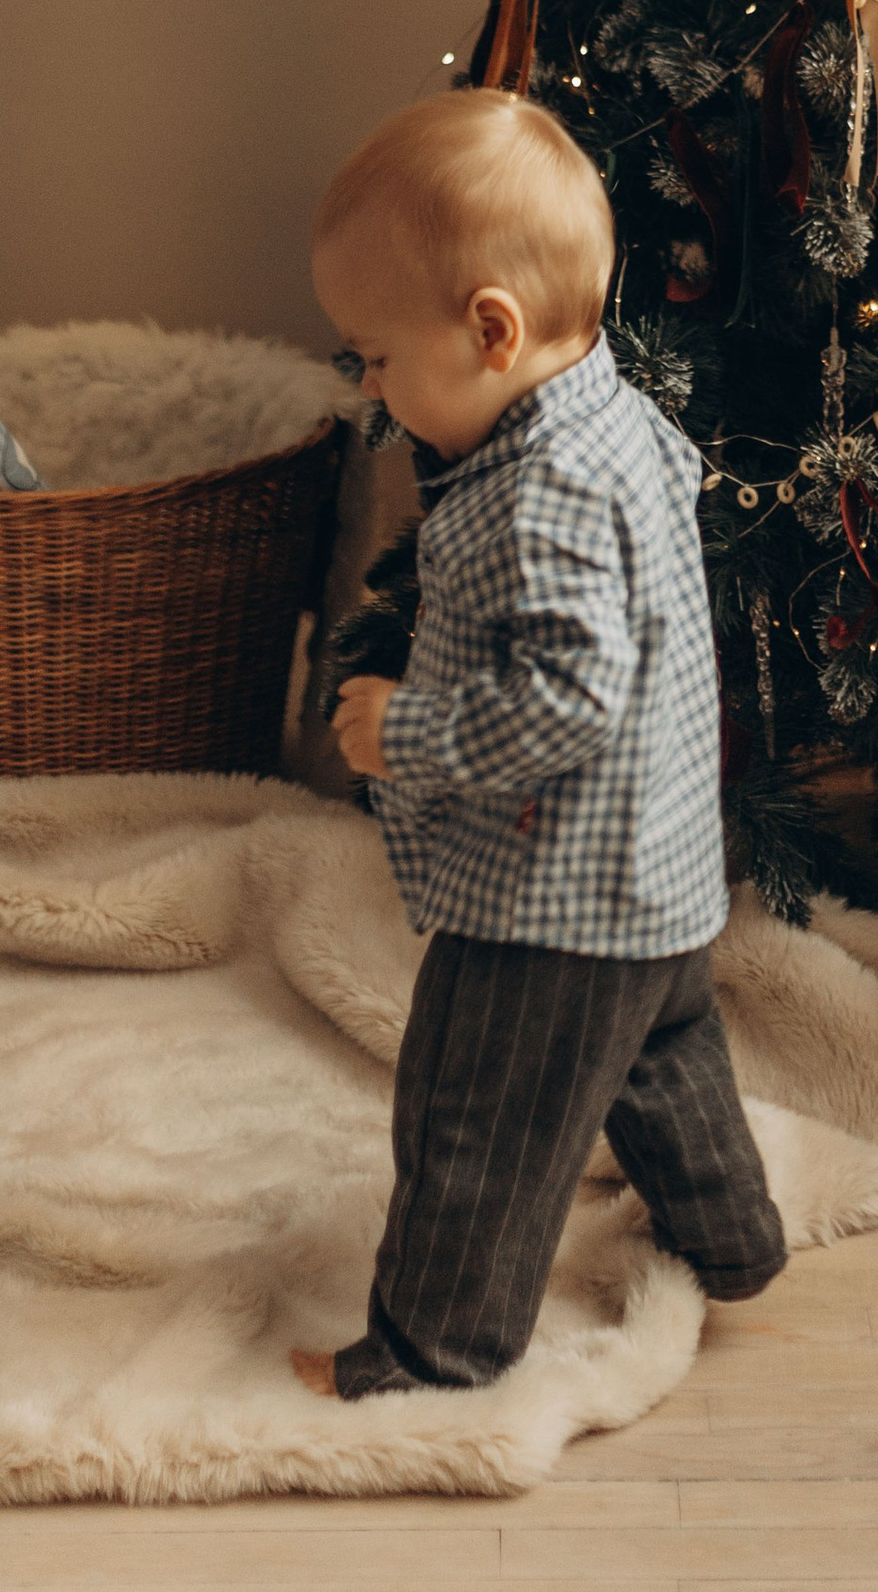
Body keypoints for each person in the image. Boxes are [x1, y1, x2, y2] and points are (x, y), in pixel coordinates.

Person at [292, 88, 786, 1399]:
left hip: (554, 901)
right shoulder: (608, 422)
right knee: (662, 1056)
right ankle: (733, 1243)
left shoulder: (548, 486)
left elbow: (574, 692)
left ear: (490, 329)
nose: (374, 391)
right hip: (659, 876)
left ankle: (430, 1344)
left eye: (378, 360)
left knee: (476, 1114)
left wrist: (414, 729)